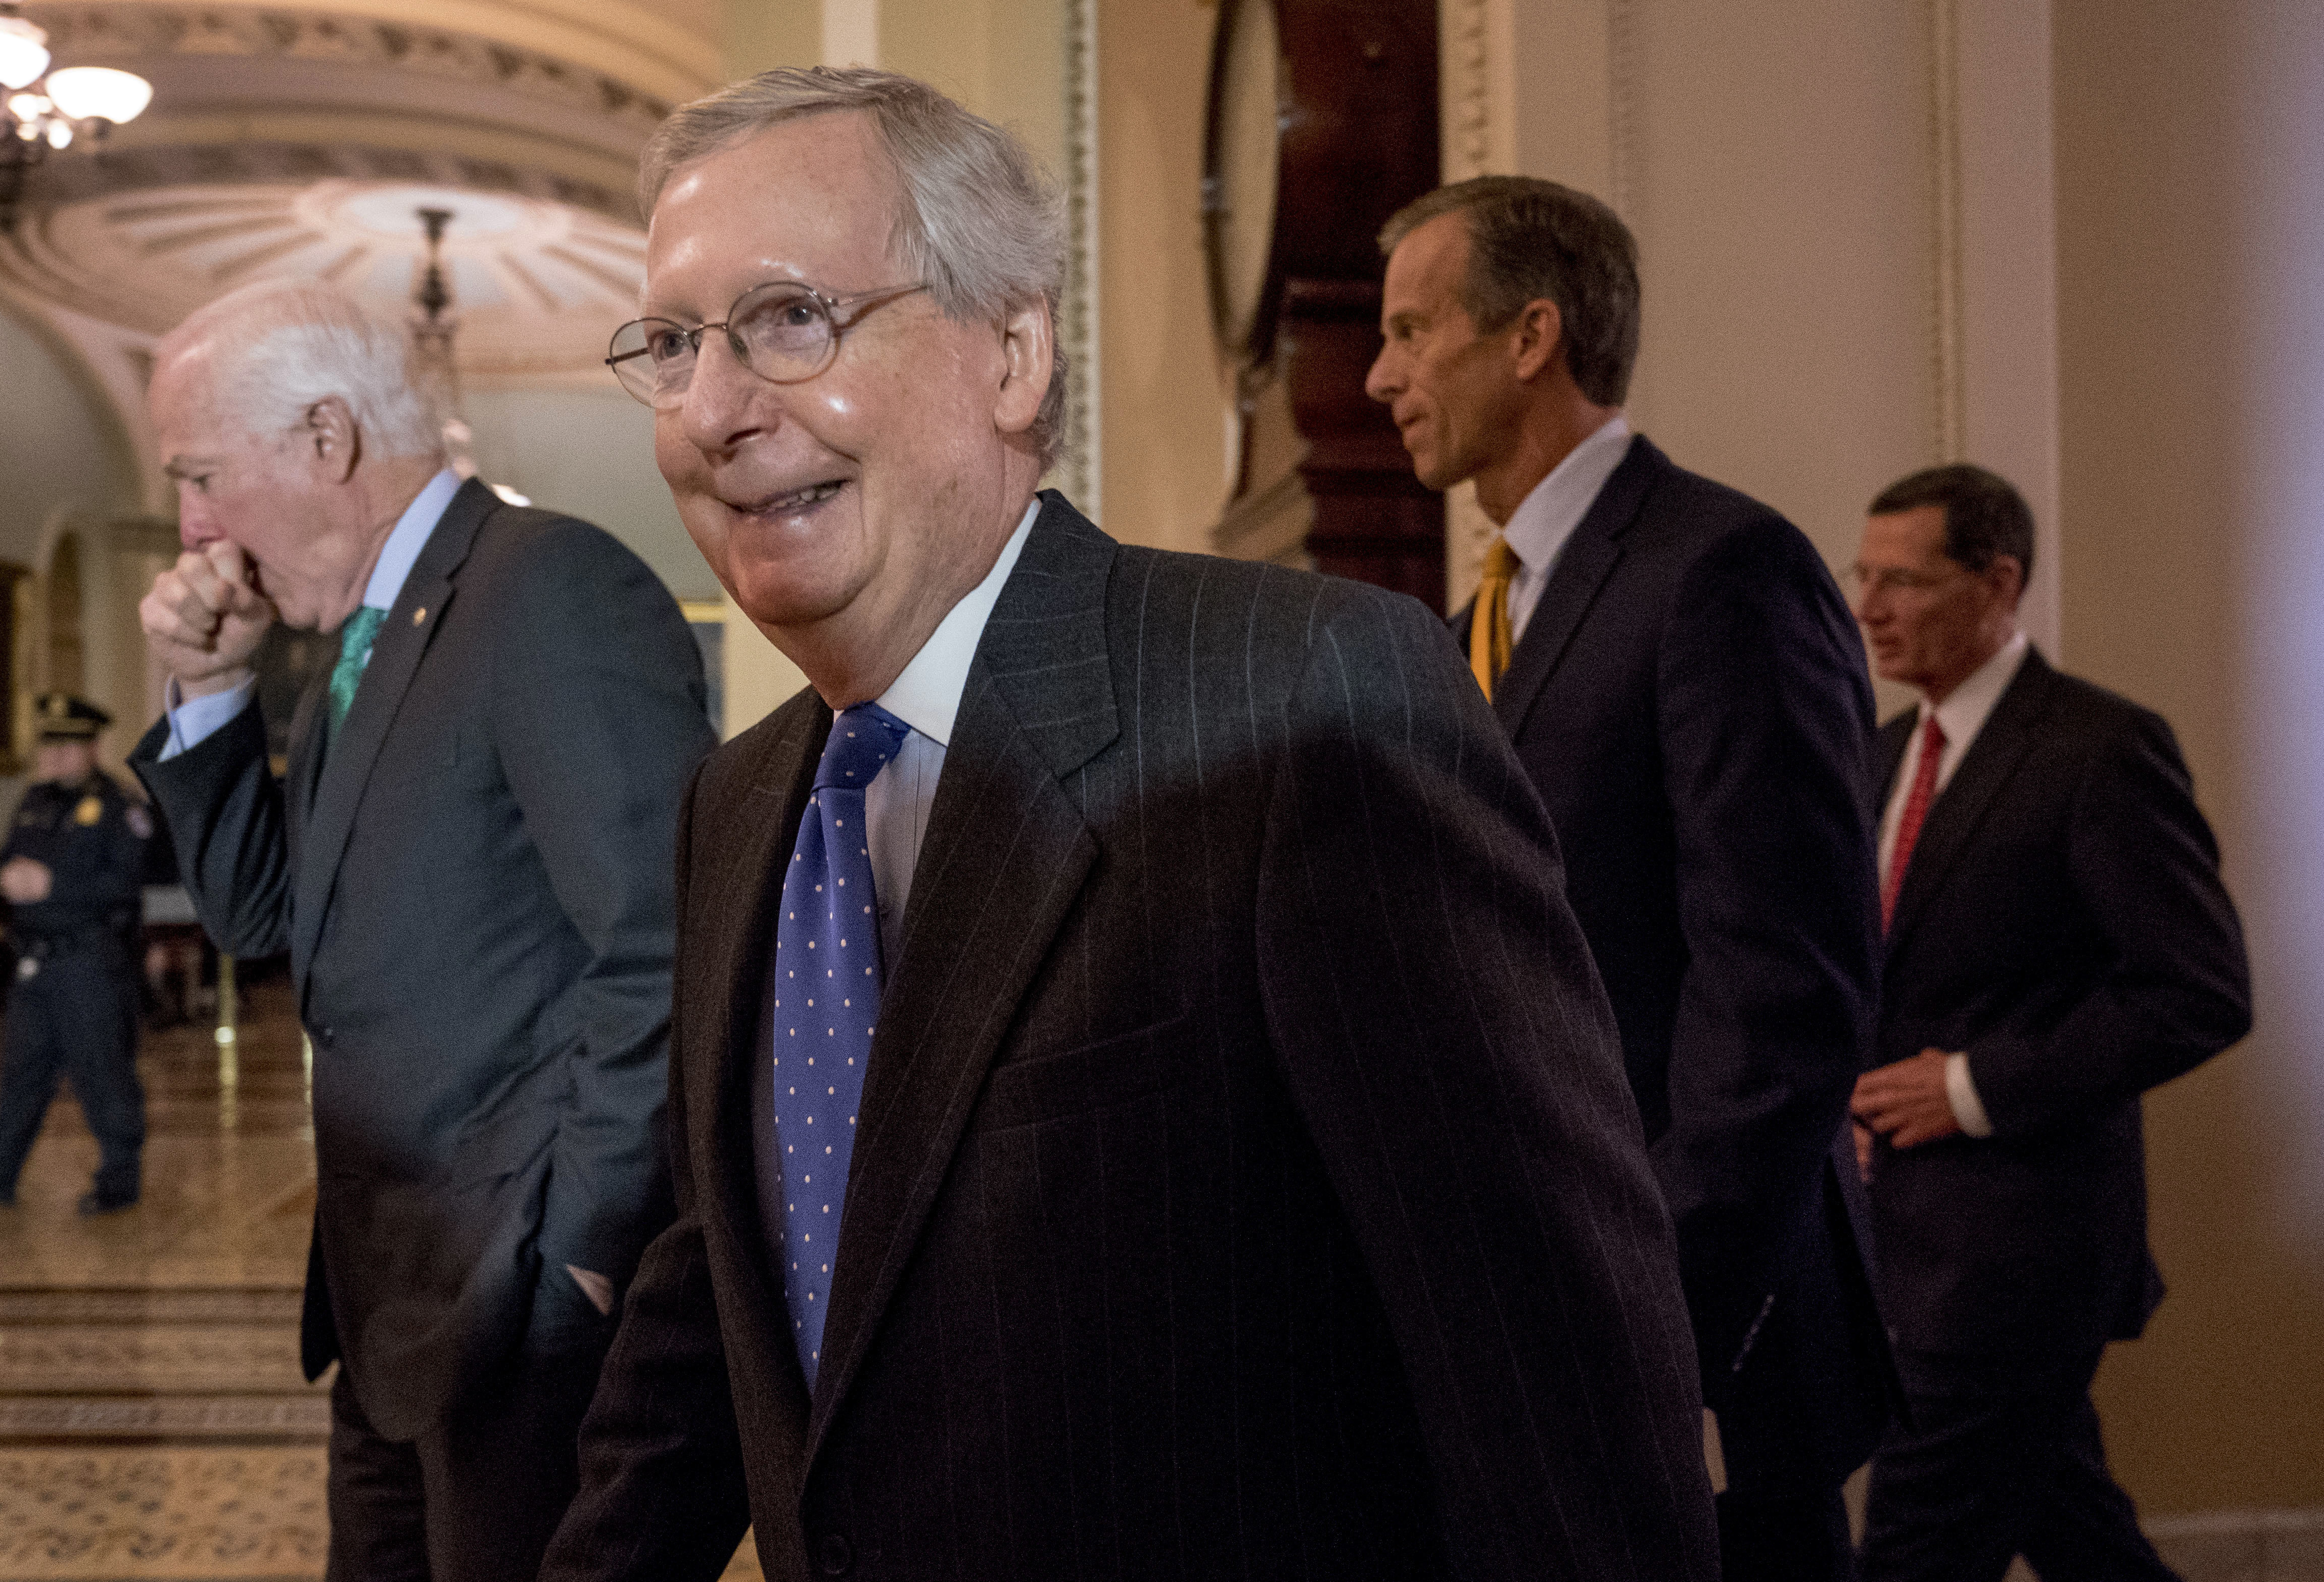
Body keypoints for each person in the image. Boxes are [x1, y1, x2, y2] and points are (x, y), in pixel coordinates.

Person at [542, 67, 1716, 1582]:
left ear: (1013, 351)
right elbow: (727, 1291)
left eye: (790, 321)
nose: (711, 412)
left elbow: (1558, 1387)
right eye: (673, 344)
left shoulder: (1304, 703)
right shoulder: (742, 801)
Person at [130, 278, 716, 1582]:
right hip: (385, 1309)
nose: (192, 527)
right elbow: (263, 917)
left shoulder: (545, 586)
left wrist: (581, 1269)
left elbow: (669, 944)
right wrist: (213, 690)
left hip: (518, 1314)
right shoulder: (351, 644)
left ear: (325, 440)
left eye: (203, 474)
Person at [1366, 175, 1892, 1579]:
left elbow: (1781, 994)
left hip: (1695, 1321)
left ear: (1529, 335)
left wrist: (1655, 1309)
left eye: (1412, 331)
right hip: (1530, 1302)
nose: (1380, 375)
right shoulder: (1468, 610)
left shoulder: (1720, 568)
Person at [1847, 463, 2249, 1582]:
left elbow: (2199, 989)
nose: (1868, 608)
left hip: (2020, 1254)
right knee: (2080, 1534)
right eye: (1861, 575)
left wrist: (1969, 1087)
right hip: (1906, 1246)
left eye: (1903, 581)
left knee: (1909, 1553)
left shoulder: (2098, 748)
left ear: (1998, 581)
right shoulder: (1878, 754)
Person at [0, 695, 152, 1214]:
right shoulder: (35, 801)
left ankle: (118, 1178)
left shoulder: (117, 806)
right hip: (33, 961)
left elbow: (126, 880)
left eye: (67, 746)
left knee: (102, 1072)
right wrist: (4, 878)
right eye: (50, 744)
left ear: (92, 746)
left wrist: (54, 885)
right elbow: (4, 858)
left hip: (88, 961)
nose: (55, 756)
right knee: (20, 1073)